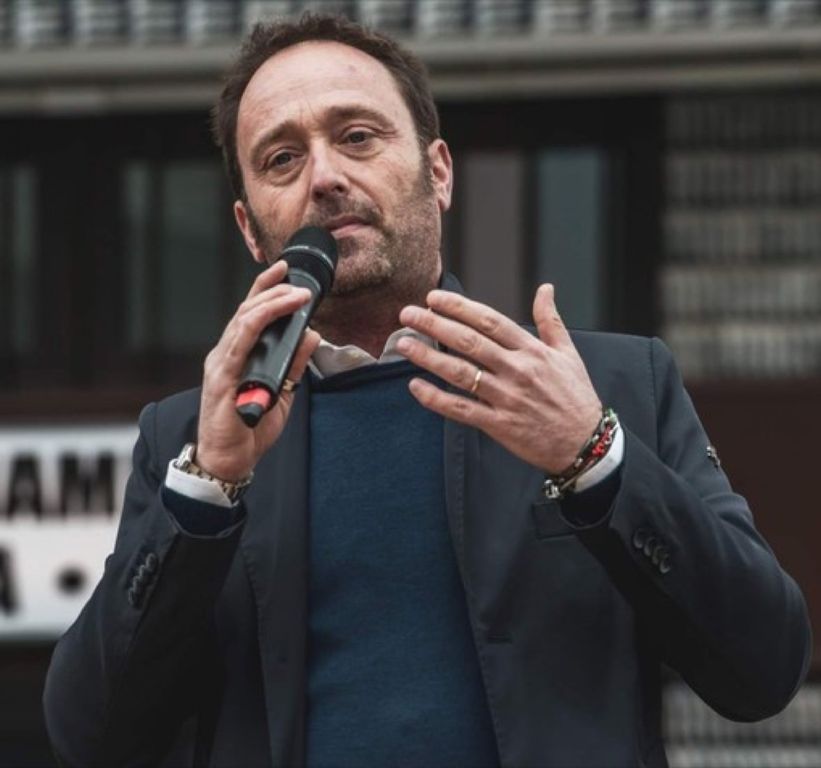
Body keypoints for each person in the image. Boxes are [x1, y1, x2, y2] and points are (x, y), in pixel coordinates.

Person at [44, 13, 811, 768]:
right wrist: (207, 488)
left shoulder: (610, 386)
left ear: (437, 172)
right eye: (281, 159)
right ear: (250, 229)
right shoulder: (196, 439)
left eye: (357, 136)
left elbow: (762, 668)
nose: (324, 177)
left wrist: (592, 456)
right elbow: (91, 736)